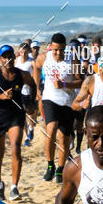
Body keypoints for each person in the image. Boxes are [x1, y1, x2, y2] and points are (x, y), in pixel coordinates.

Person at [0, 44, 36, 201]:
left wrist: (31, 103)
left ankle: (14, 188)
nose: (8, 59)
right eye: (5, 56)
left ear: (14, 57)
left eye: (10, 56)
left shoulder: (22, 75)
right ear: (0, 59)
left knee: (16, 148)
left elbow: (33, 85)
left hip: (16, 117)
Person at [33, 32, 82, 183]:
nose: (58, 53)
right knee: (51, 128)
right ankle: (50, 165)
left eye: (61, 50)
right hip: (49, 99)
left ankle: (60, 169)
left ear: (65, 48)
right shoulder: (44, 58)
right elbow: (35, 67)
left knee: (64, 138)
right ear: (50, 48)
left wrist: (65, 84)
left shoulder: (72, 60)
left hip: (67, 102)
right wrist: (37, 89)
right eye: (55, 50)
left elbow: (81, 82)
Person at [15, 42, 37, 145]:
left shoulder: (31, 62)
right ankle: (26, 137)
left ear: (28, 52)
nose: (23, 54)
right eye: (21, 52)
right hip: (19, 90)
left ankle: (31, 128)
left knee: (30, 112)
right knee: (21, 113)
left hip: (29, 90)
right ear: (19, 52)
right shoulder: (16, 61)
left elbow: (36, 75)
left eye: (25, 52)